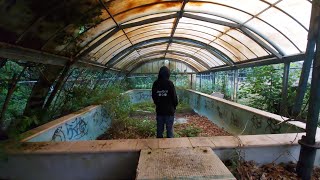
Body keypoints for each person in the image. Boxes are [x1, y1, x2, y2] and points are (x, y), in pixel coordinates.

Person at [152, 66, 178, 138]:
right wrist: (174, 106)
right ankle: (169, 147)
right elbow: (174, 97)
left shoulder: (155, 83)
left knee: (159, 132)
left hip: (160, 111)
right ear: (168, 74)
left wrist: (158, 104)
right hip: (169, 111)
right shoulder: (170, 83)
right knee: (169, 132)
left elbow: (154, 96)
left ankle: (159, 147)